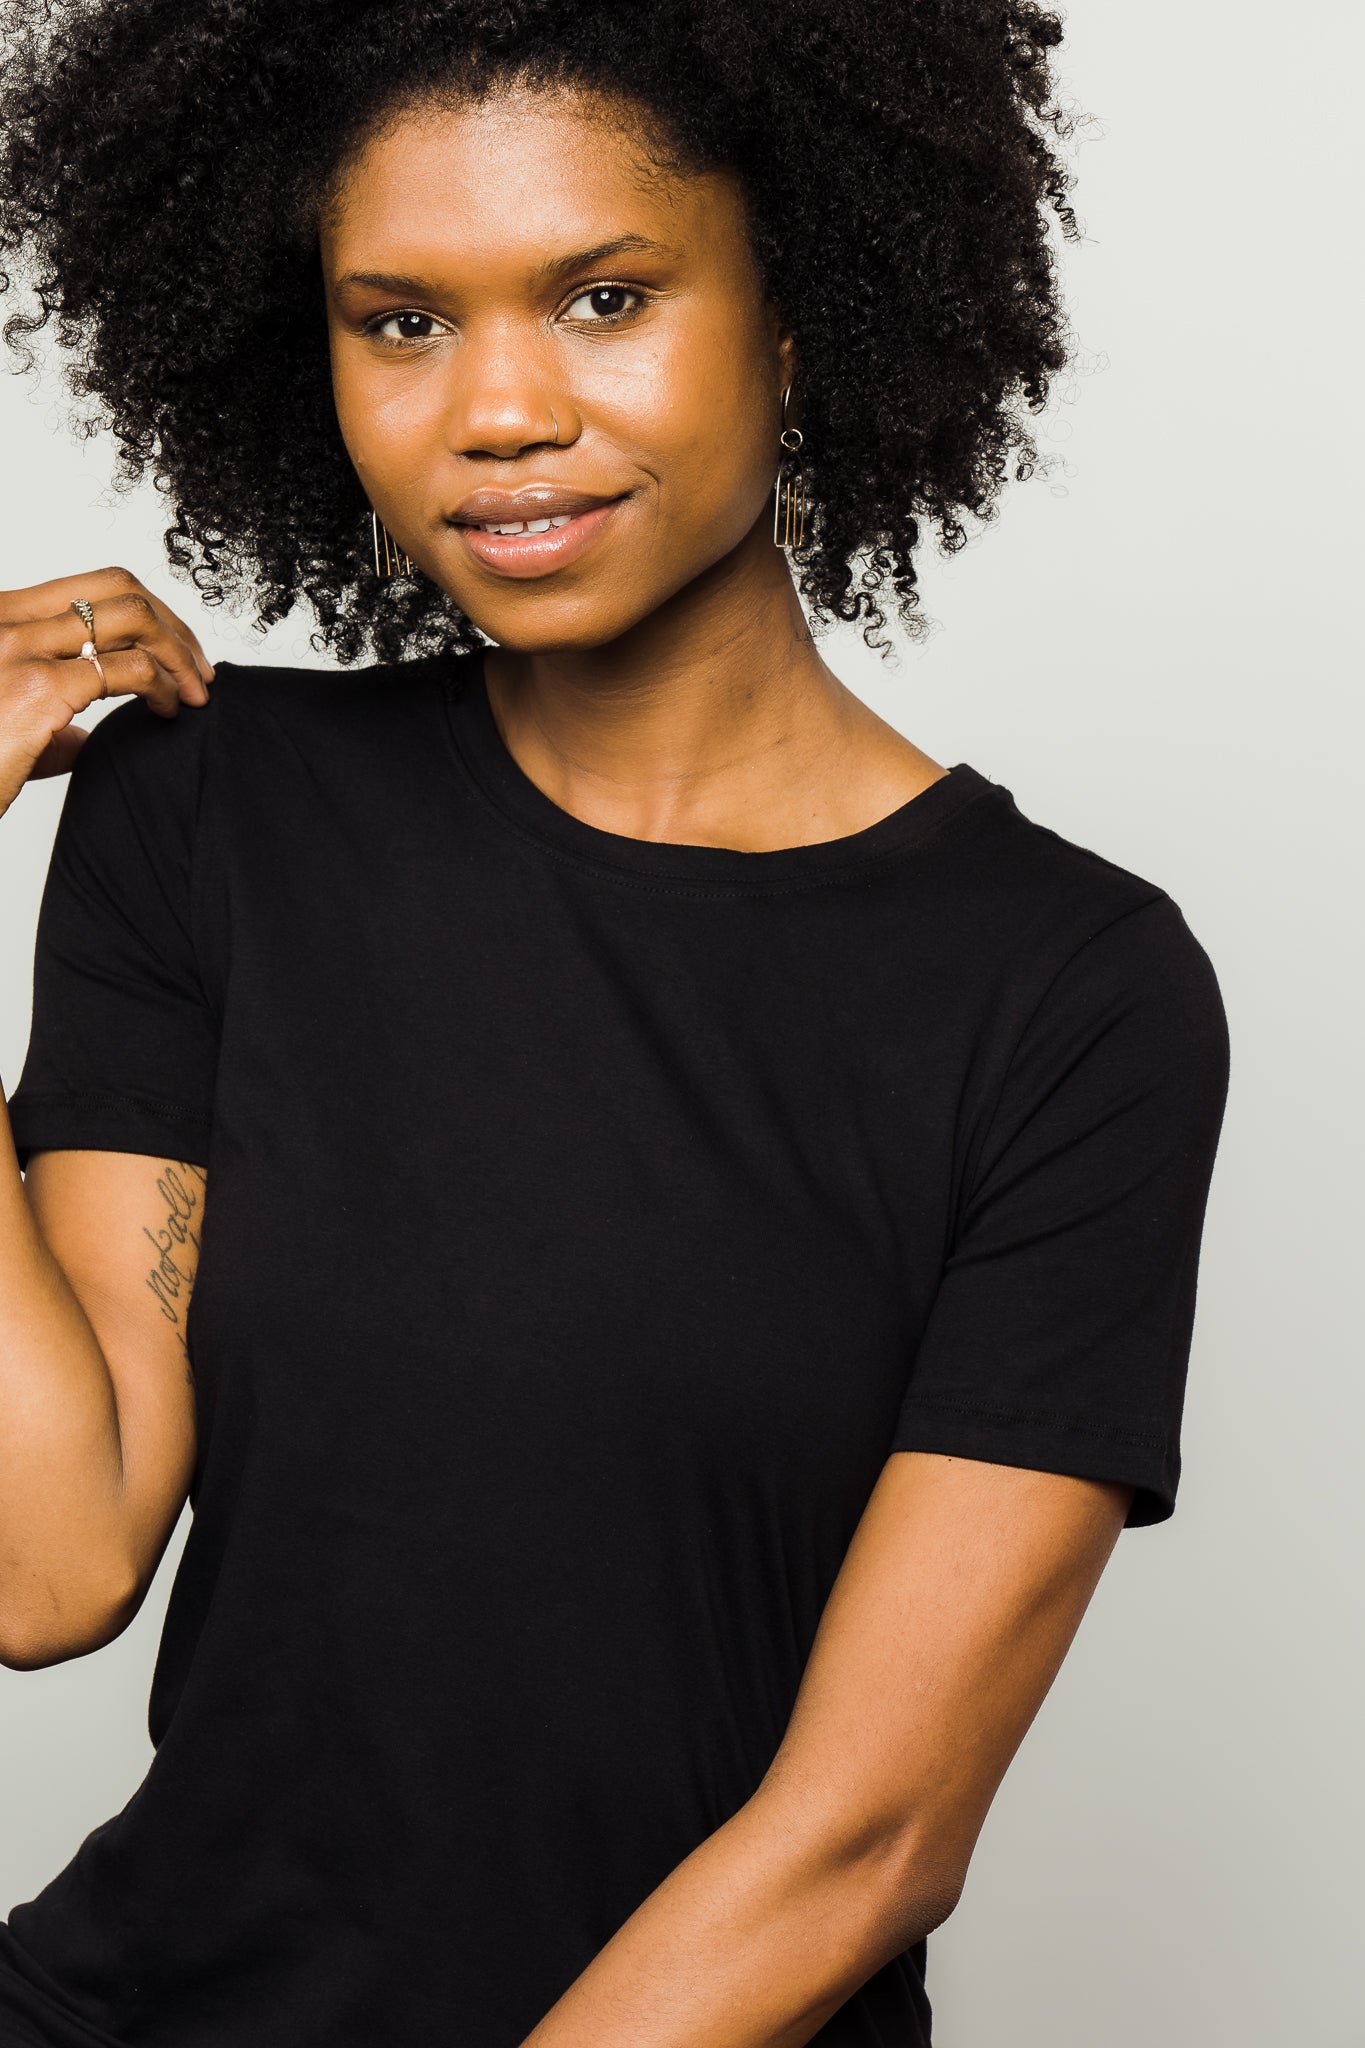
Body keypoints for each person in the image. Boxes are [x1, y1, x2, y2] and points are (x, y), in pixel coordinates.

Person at [0, 2, 1230, 2044]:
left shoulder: (1066, 991)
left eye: (603, 297)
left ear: (796, 313)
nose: (496, 410)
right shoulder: (205, 807)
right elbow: (47, 1564)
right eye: (402, 322)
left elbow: (862, 1839)